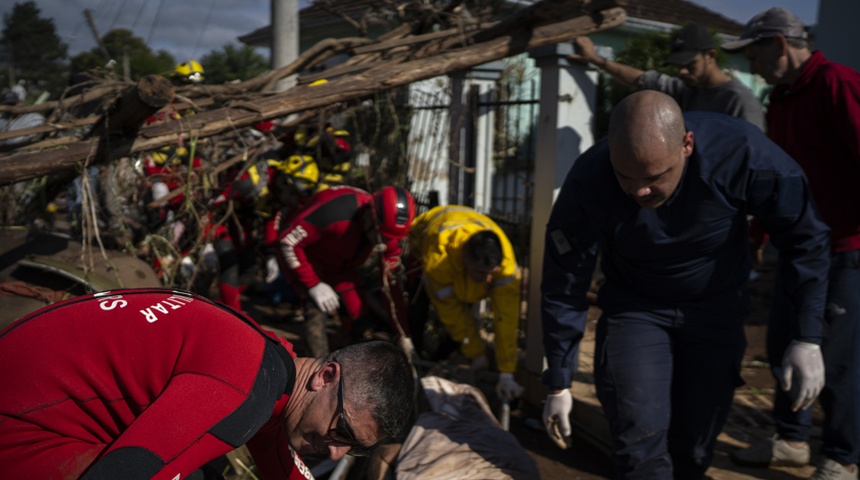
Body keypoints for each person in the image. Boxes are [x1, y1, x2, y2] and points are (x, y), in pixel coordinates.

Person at [540, 90, 831, 479]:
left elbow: (805, 238)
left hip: (716, 305)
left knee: (694, 448)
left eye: (655, 176)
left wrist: (807, 336)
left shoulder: (744, 156)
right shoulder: (590, 178)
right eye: (627, 177)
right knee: (637, 438)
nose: (640, 191)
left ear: (687, 145)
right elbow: (565, 279)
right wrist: (559, 381)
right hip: (636, 307)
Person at [0, 288, 416, 480]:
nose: (337, 451)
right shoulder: (242, 389)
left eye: (355, 449)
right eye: (342, 431)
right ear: (326, 376)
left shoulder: (272, 362)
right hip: (19, 429)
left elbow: (278, 456)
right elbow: (123, 473)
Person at [721, 8, 860, 479]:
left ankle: (843, 457)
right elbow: (779, 176)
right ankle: (791, 439)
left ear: (779, 45)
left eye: (753, 53)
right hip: (799, 248)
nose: (751, 65)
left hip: (847, 247)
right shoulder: (781, 98)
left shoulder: (837, 84)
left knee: (836, 356)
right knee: (785, 343)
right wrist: (759, 231)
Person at [274, 185, 416, 357]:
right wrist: (313, 284)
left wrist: (403, 333)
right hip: (306, 259)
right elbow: (288, 241)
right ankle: (315, 366)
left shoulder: (388, 236)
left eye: (391, 238)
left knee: (361, 319)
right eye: (383, 236)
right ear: (371, 218)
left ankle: (345, 358)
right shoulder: (335, 211)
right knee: (316, 309)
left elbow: (390, 287)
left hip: (342, 267)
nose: (386, 242)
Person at [407, 205, 525, 402]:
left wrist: (507, 373)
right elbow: (452, 314)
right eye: (481, 273)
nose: (488, 280)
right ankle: (416, 361)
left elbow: (507, 319)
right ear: (464, 258)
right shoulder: (437, 259)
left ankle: (441, 357)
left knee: (463, 319)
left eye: (491, 273)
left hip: (461, 234)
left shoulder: (506, 267)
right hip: (425, 237)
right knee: (417, 309)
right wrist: (477, 353)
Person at [570, 23, 765, 130]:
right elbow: (641, 79)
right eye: (679, 66)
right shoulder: (686, 90)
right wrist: (597, 60)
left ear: (710, 56)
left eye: (690, 64)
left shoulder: (739, 101)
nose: (682, 72)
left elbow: (754, 155)